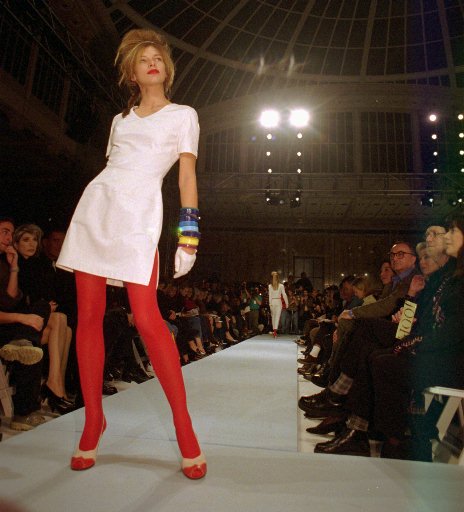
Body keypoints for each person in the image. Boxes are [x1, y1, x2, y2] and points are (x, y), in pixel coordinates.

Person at [56, 29, 206, 479]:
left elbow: (185, 177)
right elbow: (112, 169)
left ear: (167, 68)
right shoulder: (119, 121)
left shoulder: (184, 115)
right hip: (97, 209)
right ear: (131, 73)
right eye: (143, 59)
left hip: (140, 215)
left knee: (147, 318)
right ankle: (92, 421)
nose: (152, 61)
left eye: (158, 56)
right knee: (88, 317)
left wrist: (188, 233)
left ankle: (183, 426)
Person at [268, 271, 288, 338]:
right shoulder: (281, 285)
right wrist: (287, 303)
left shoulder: (270, 286)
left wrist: (270, 304)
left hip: (272, 302)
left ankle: (274, 331)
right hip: (278, 301)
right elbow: (284, 295)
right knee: (277, 317)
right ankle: (275, 332)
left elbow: (270, 296)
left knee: (273, 317)